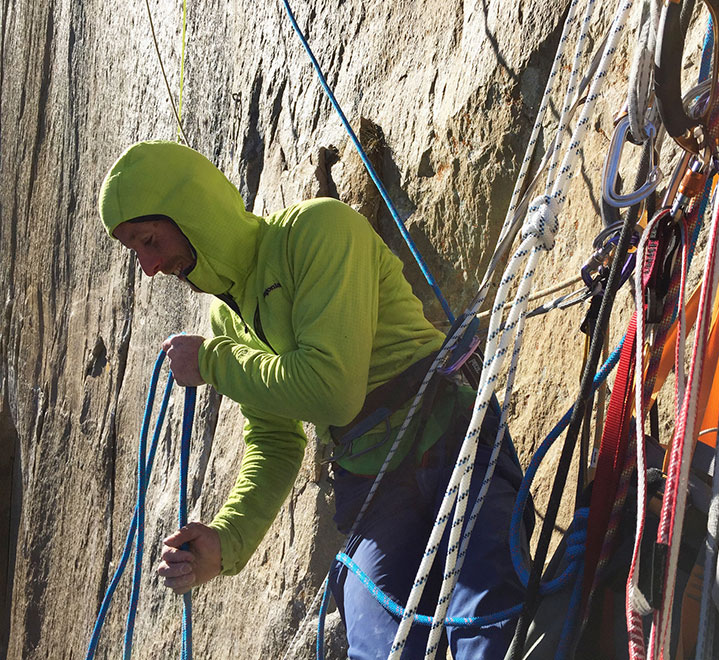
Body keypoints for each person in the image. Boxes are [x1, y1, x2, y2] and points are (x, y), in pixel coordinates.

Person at [99, 140, 530, 658]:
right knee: (376, 645)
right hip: (372, 483)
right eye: (136, 251)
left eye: (148, 240)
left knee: (485, 621)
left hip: (450, 438)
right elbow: (275, 442)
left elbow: (334, 391)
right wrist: (226, 541)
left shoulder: (318, 230)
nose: (148, 266)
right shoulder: (226, 320)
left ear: (188, 212)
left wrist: (215, 363)